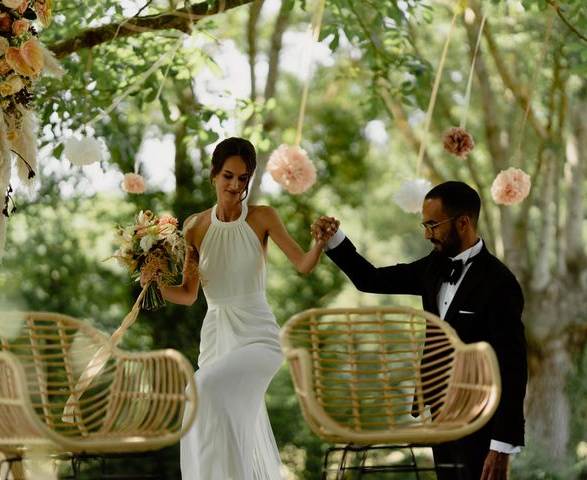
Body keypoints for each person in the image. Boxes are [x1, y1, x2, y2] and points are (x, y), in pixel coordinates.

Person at [312, 181, 527, 480]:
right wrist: (335, 240)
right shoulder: (433, 267)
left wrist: (502, 446)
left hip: (482, 421)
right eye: (424, 225)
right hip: (438, 410)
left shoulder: (500, 282)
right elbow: (371, 280)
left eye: (433, 225)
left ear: (463, 222)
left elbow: (513, 369)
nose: (427, 234)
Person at [160, 137, 328, 480]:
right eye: (228, 176)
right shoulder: (194, 227)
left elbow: (303, 263)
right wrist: (153, 283)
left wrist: (321, 243)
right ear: (213, 174)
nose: (236, 185)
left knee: (200, 388)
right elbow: (189, 294)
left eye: (243, 178)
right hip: (217, 338)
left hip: (259, 338)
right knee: (209, 413)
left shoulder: (263, 217)